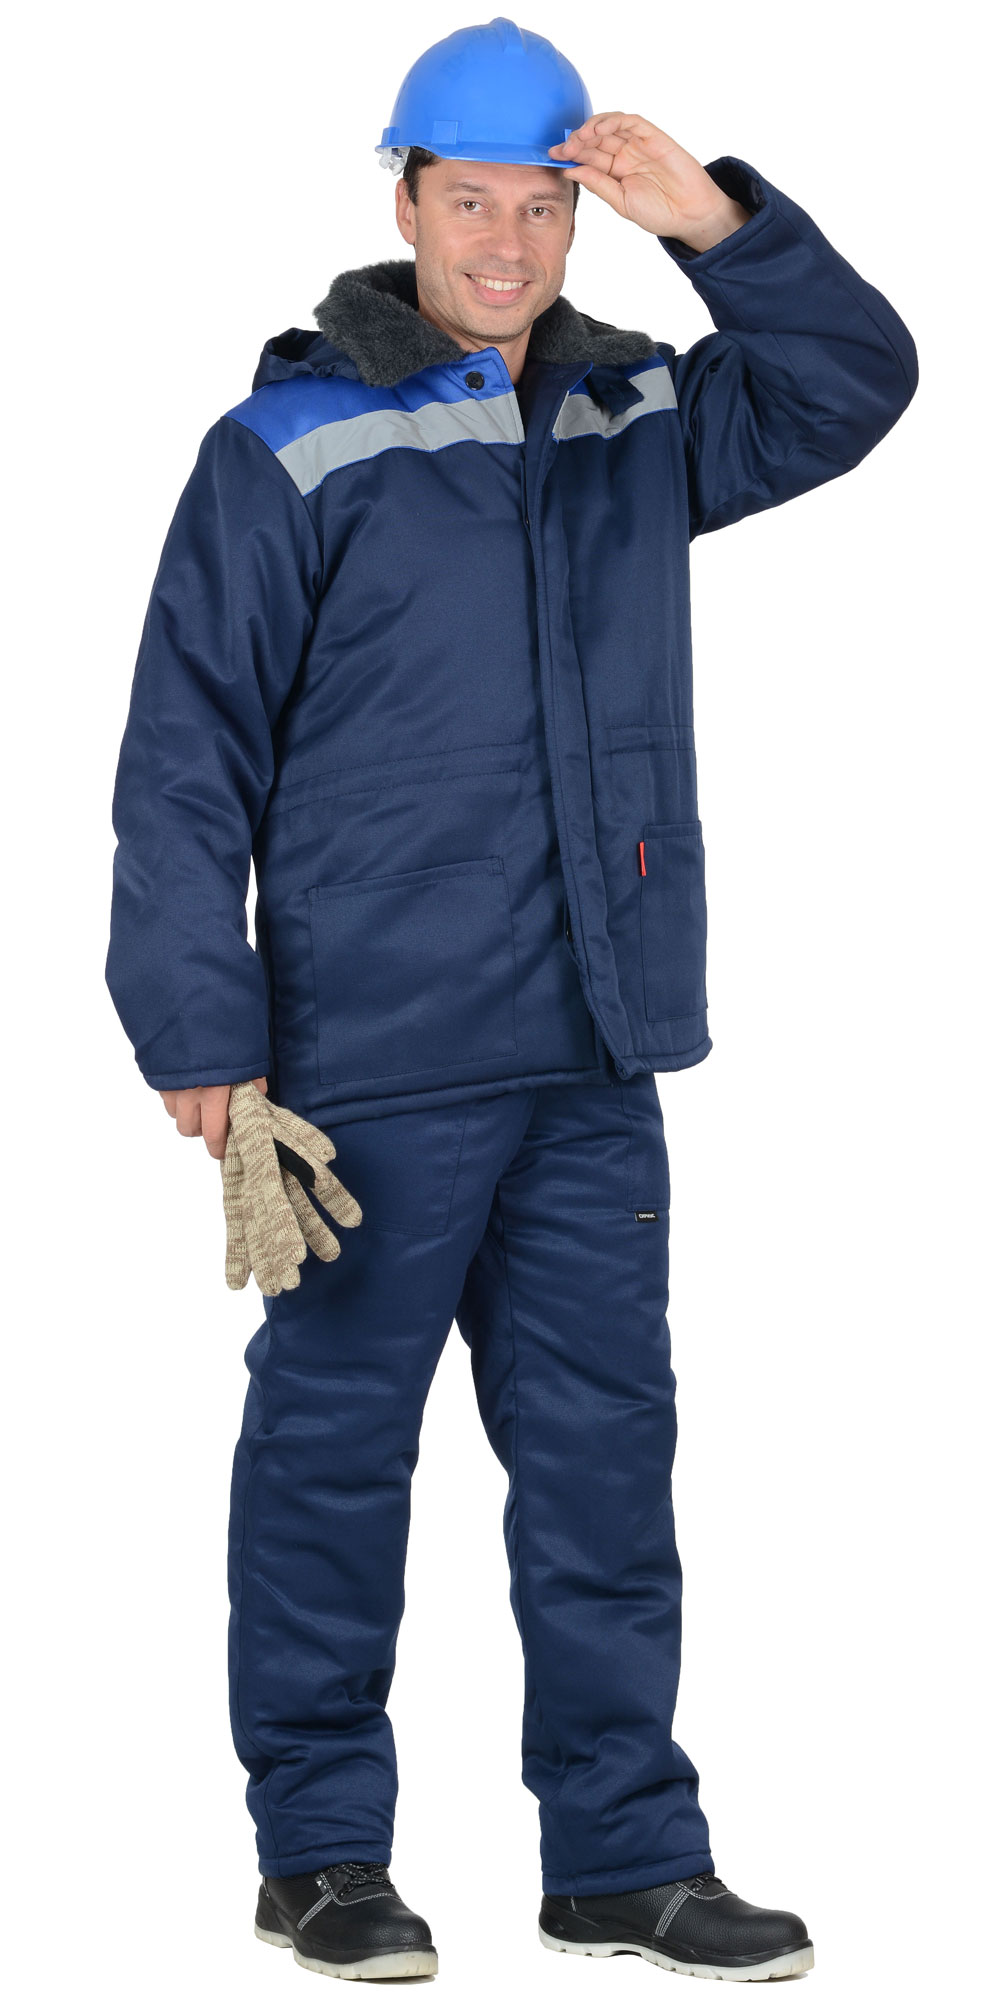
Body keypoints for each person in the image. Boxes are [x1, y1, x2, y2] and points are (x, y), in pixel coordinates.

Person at [104, 14, 917, 1984]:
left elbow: (850, 383)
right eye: (467, 202)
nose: (503, 243)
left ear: (576, 216)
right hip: (366, 1065)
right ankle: (320, 1853)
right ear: (404, 204)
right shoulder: (290, 447)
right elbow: (184, 756)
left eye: (540, 208)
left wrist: (715, 226)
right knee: (332, 1461)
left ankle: (621, 1855)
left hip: (591, 1046)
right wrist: (199, 1025)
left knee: (602, 1467)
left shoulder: (637, 420)